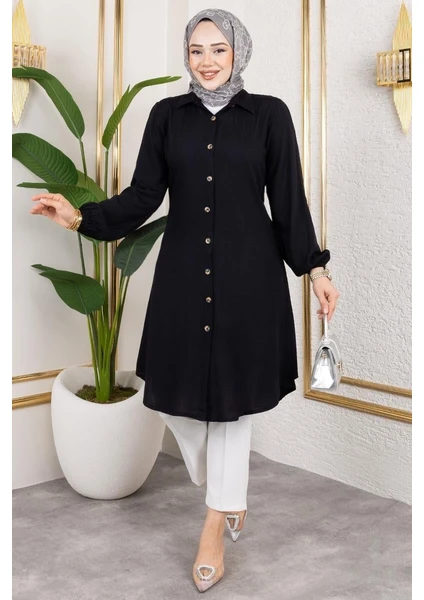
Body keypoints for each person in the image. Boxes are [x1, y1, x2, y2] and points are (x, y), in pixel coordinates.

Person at [31, 7, 341, 593]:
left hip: (249, 281)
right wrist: (79, 218)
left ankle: (214, 526)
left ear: (238, 52)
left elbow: (288, 202)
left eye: (218, 49)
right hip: (181, 278)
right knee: (172, 398)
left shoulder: (270, 115)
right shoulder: (166, 115)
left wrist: (315, 269)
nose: (207, 60)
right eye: (197, 50)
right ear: (186, 56)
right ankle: (228, 492)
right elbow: (143, 195)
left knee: (232, 407)